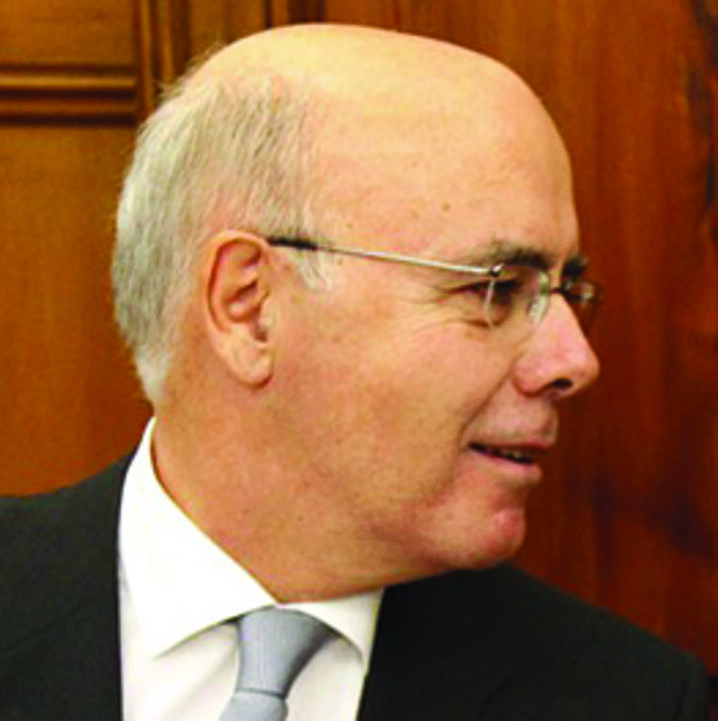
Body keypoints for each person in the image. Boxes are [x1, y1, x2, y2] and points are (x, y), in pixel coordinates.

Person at [0, 23, 708, 721]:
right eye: (496, 288)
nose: (574, 361)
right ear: (249, 306)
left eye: (566, 288)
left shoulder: (630, 700)